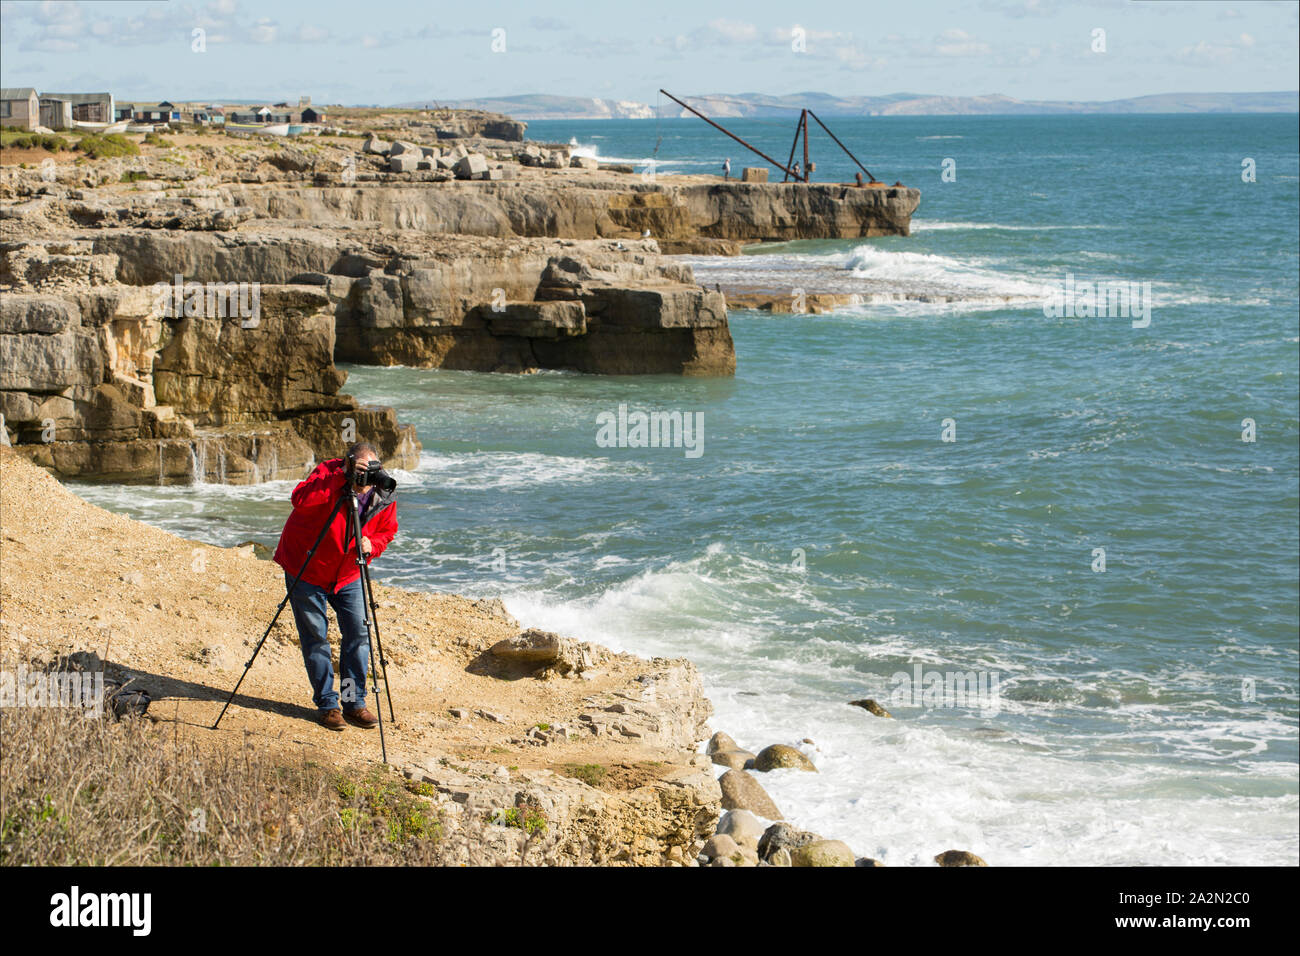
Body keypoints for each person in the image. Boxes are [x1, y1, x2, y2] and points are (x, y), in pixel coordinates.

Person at [273, 441, 398, 730]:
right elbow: (300, 500)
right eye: (360, 473)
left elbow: (388, 531)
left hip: (348, 573)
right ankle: (328, 705)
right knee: (316, 638)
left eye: (370, 473)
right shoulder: (328, 475)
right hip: (306, 569)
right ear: (348, 465)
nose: (364, 483)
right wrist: (341, 477)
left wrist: (373, 544)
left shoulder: (382, 491)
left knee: (357, 634)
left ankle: (353, 703)